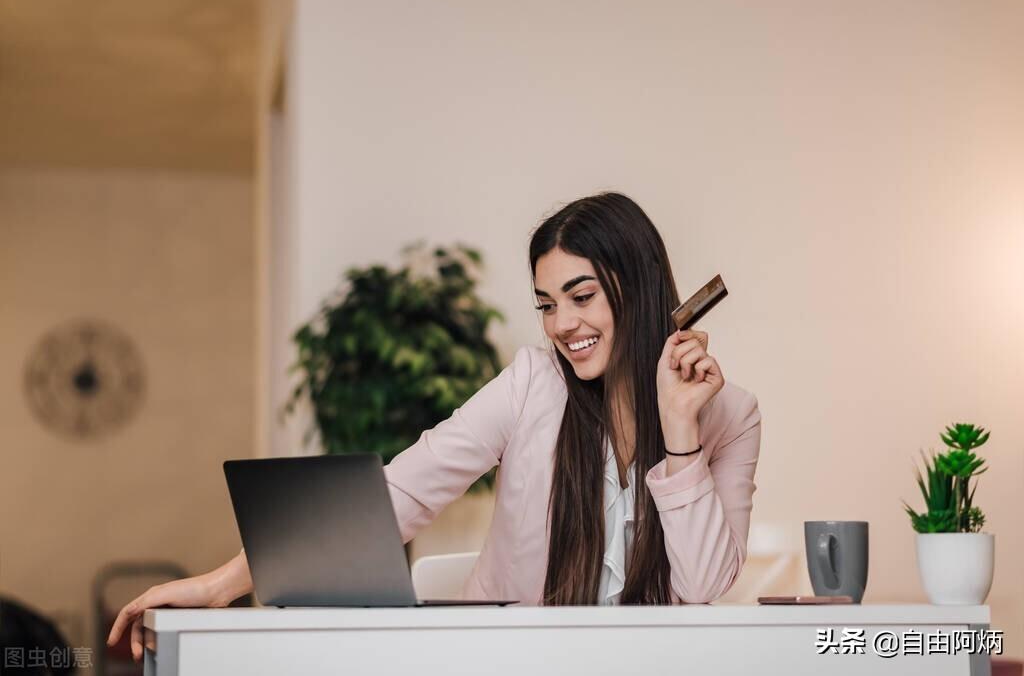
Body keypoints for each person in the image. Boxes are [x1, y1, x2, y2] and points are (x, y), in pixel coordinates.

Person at [107, 192, 761, 660]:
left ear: (639, 286)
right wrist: (217, 587)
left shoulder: (730, 417)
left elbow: (703, 585)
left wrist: (680, 429)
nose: (563, 325)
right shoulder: (532, 384)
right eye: (546, 304)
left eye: (582, 296)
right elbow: (399, 495)